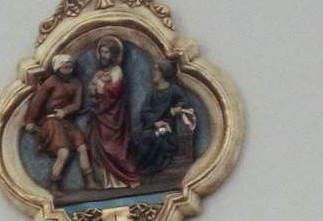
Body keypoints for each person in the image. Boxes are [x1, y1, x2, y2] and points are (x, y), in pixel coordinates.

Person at [24, 53, 96, 189]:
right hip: (52, 121)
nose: (68, 70)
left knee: (82, 148)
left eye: (70, 67)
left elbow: (77, 104)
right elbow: (37, 101)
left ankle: (90, 181)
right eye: (65, 67)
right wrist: (30, 120)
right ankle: (55, 184)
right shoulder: (51, 82)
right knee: (63, 152)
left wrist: (65, 111)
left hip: (67, 121)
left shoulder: (76, 83)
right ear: (58, 68)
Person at [84, 37, 139, 188]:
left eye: (106, 52)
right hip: (101, 116)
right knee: (102, 148)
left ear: (113, 54)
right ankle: (108, 182)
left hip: (115, 116)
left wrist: (100, 86)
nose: (103, 55)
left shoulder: (116, 71)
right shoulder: (98, 73)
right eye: (101, 52)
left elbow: (115, 91)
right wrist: (93, 89)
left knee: (116, 149)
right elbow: (92, 90)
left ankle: (127, 178)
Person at [132, 56, 197, 178]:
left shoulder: (174, 90)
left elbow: (184, 103)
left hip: (168, 126)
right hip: (152, 124)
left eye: (156, 70)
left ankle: (146, 168)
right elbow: (145, 111)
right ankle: (141, 167)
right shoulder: (153, 93)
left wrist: (176, 109)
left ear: (163, 73)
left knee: (150, 137)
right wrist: (154, 122)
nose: (153, 72)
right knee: (136, 135)